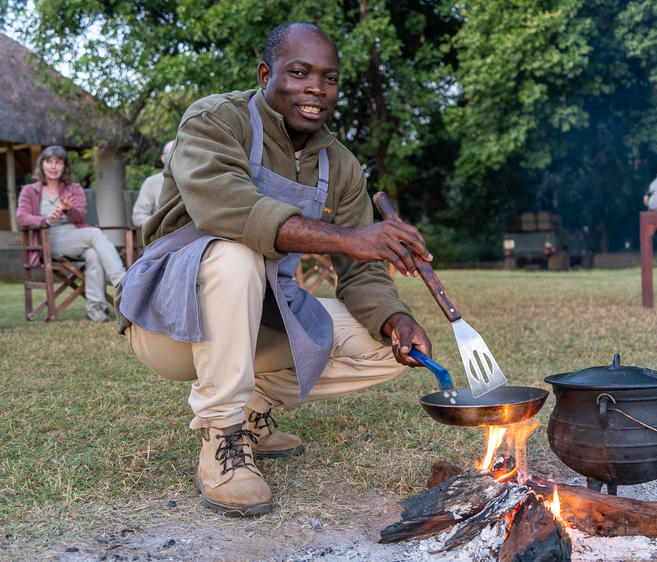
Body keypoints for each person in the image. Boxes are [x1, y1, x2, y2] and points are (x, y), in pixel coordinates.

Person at [116, 21, 434, 517]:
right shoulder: (215, 120)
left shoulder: (342, 166)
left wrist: (395, 318)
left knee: (383, 348)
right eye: (299, 72)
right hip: (170, 323)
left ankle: (252, 409)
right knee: (236, 251)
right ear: (266, 74)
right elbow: (230, 210)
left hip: (264, 311)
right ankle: (222, 438)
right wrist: (352, 237)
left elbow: (361, 271)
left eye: (329, 78)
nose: (316, 88)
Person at [17, 145, 126, 322]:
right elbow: (22, 218)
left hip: (75, 235)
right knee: (95, 234)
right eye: (49, 162)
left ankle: (95, 310)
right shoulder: (30, 191)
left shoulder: (74, 188)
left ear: (64, 166)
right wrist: (45, 220)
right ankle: (125, 285)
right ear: (42, 165)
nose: (53, 167)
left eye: (58, 162)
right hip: (47, 238)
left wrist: (69, 210)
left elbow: (81, 215)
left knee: (93, 254)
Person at [131, 139, 175, 229]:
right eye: (172, 154)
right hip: (165, 235)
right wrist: (158, 226)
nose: (176, 157)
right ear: (163, 159)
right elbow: (139, 216)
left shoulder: (194, 179)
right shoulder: (152, 182)